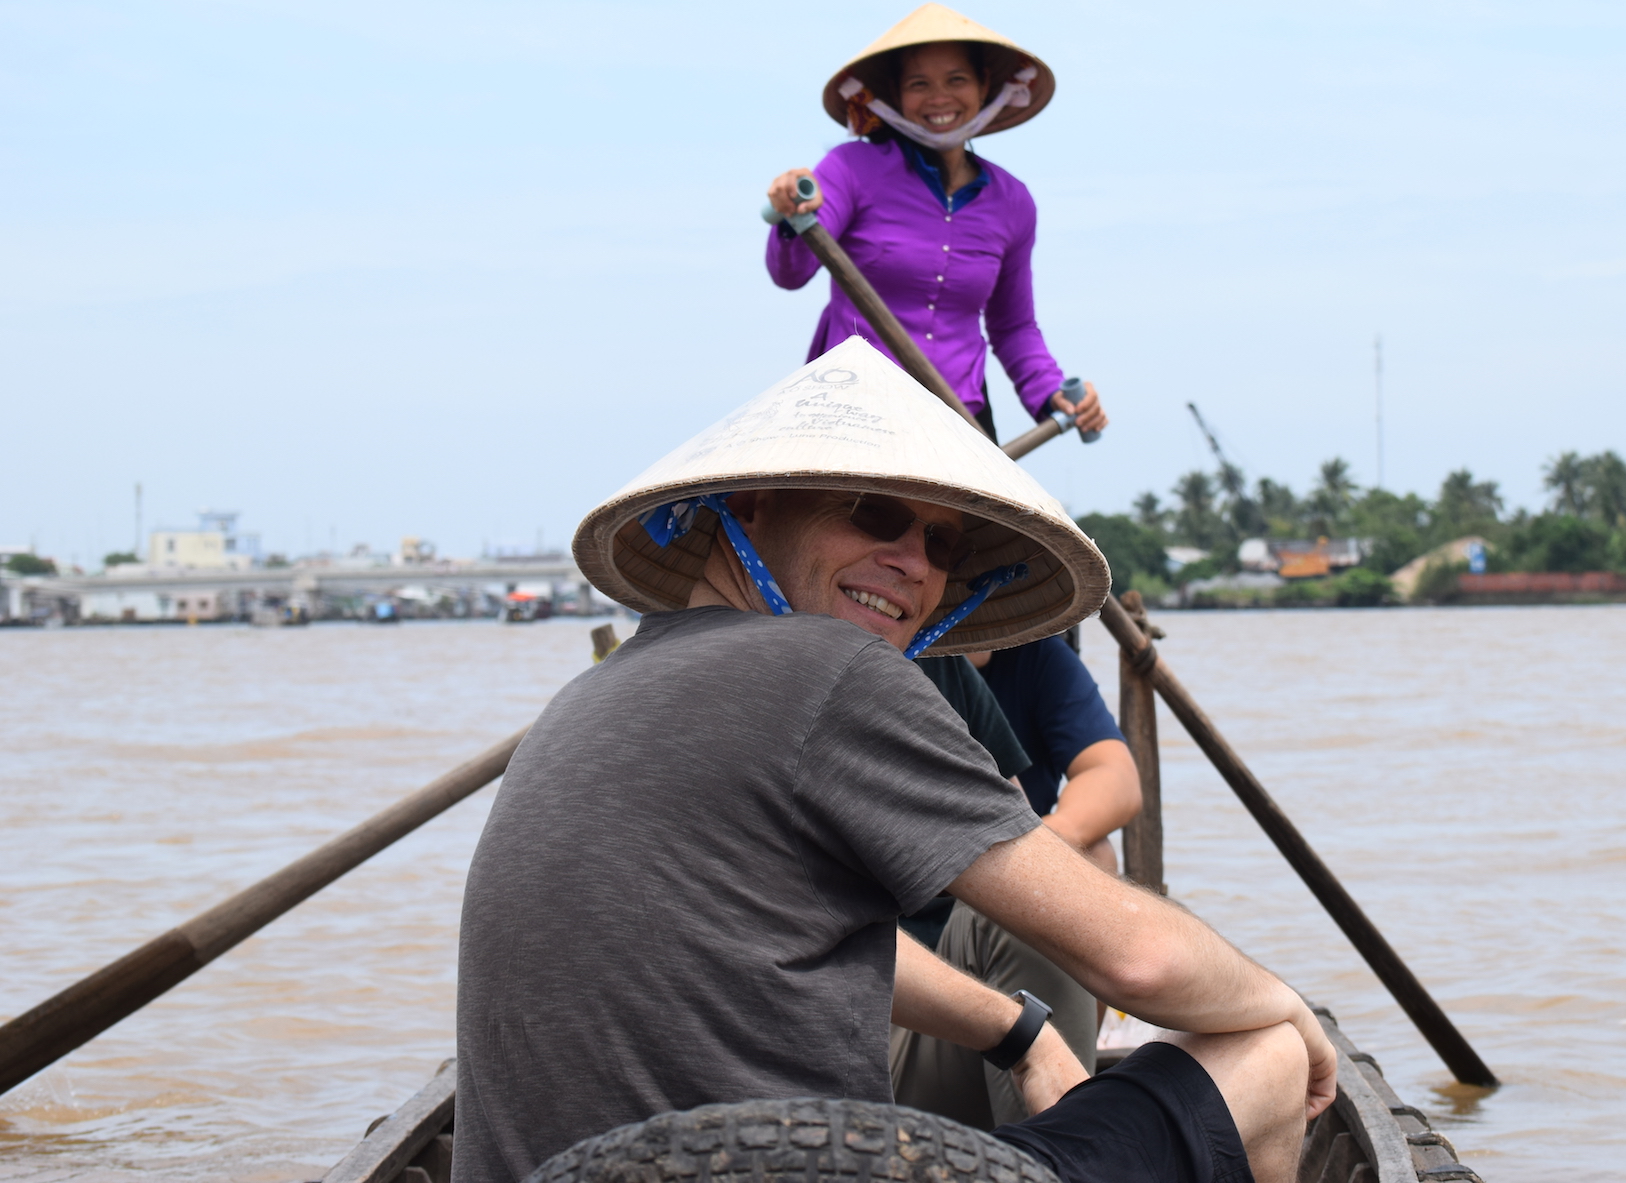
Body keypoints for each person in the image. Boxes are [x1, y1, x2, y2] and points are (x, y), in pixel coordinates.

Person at [456, 338, 1334, 1183]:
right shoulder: (829, 672)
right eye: (873, 513)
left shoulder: (588, 699)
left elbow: (759, 940)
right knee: (1265, 1054)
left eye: (941, 545)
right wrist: (1290, 1006)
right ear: (759, 500)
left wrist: (1015, 1031)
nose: (911, 564)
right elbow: (1140, 962)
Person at [764, 3, 1108, 442]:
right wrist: (793, 208)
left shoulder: (1013, 201)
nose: (939, 97)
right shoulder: (850, 167)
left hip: (958, 420)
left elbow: (1013, 326)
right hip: (848, 413)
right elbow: (790, 271)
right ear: (895, 95)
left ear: (985, 86)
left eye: (957, 80)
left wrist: (1052, 392)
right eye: (918, 84)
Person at [893, 633, 1144, 1128]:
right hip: (896, 993)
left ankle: (1063, 1091)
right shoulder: (892, 663)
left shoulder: (1025, 660)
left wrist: (1037, 849)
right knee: (1040, 892)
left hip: (987, 935)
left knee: (1082, 862)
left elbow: (1115, 775)